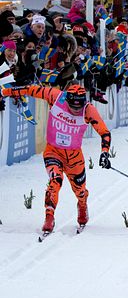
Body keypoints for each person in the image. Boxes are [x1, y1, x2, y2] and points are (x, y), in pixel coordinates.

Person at [0, 83, 111, 236]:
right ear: (68, 100)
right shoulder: (56, 96)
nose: (76, 110)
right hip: (53, 151)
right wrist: (5, 92)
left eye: (79, 108)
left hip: (74, 157)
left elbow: (104, 132)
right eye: (73, 107)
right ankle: (49, 217)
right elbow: (31, 89)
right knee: (55, 181)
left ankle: (82, 204)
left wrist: (104, 153)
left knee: (79, 190)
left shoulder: (88, 109)